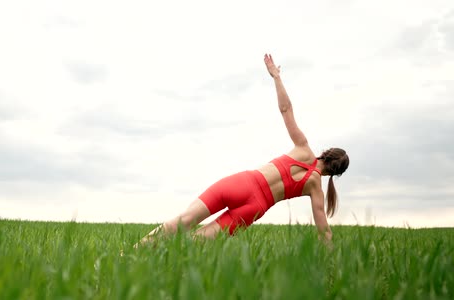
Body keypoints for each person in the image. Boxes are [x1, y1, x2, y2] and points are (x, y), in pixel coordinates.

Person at [135, 54, 349, 246]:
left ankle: (130, 255)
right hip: (254, 207)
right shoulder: (316, 188)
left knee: (184, 220)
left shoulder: (303, 147)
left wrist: (276, 76)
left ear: (326, 152)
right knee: (195, 244)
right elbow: (324, 233)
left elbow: (286, 110)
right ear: (335, 174)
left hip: (242, 183)